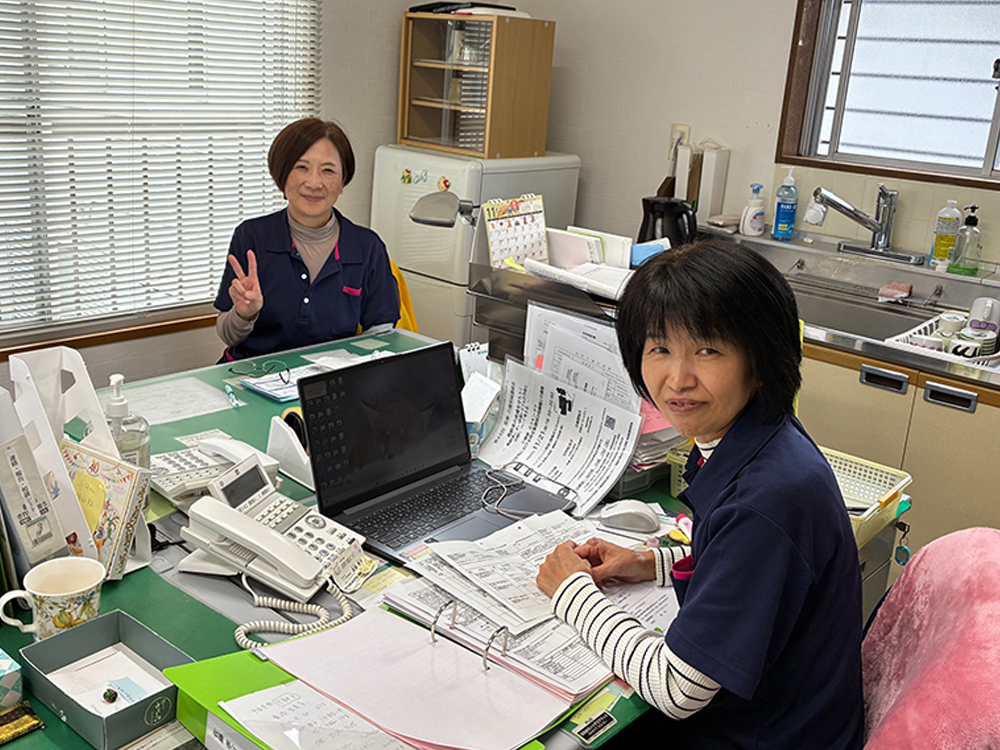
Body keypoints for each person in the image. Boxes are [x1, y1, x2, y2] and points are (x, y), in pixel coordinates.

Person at [536, 237, 864, 749]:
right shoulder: (762, 434)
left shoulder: (768, 499)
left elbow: (679, 689)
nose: (677, 378)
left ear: (759, 358)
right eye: (660, 348)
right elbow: (745, 565)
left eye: (707, 349)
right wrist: (652, 564)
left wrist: (572, 595)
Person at [215, 117, 399, 361]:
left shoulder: (367, 248)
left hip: (330, 382)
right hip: (254, 377)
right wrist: (244, 314)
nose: (314, 183)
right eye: (301, 167)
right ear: (282, 175)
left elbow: (382, 334)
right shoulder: (252, 237)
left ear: (343, 181)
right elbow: (228, 335)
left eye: (328, 170)